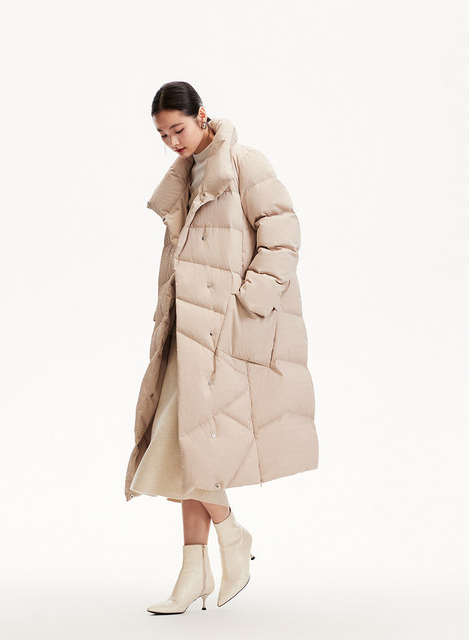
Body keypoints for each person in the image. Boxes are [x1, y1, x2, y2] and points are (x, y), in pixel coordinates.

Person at [124, 81, 319, 614]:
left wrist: (249, 303)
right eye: (163, 135)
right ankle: (200, 566)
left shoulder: (244, 163)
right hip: (186, 331)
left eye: (178, 129)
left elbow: (283, 236)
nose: (172, 142)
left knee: (190, 447)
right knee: (186, 447)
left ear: (202, 115)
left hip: (225, 333)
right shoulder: (184, 175)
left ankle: (224, 545)